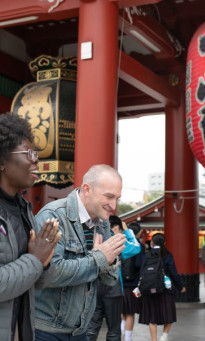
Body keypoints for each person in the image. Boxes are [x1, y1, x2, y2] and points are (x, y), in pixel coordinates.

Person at [34, 164, 126, 341]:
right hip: (46, 329)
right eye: (109, 197)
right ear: (87, 189)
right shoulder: (53, 216)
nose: (114, 206)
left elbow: (110, 279)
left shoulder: (103, 223)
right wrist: (100, 258)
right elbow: (49, 275)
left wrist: (110, 261)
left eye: (117, 199)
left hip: (81, 329)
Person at [0, 112, 62, 341]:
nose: (36, 160)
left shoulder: (24, 210)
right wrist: (35, 259)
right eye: (29, 154)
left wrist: (45, 263)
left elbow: (38, 281)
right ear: (2, 161)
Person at [86, 216, 140, 341]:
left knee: (92, 327)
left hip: (94, 286)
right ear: (116, 227)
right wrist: (127, 230)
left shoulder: (94, 236)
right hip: (113, 288)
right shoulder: (116, 240)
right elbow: (135, 247)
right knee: (114, 329)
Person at [139, 233, 186, 341]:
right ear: (164, 243)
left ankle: (154, 339)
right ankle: (164, 336)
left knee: (152, 317)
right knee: (168, 313)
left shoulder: (147, 255)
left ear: (152, 243)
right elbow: (173, 273)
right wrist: (180, 286)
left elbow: (141, 272)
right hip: (165, 289)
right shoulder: (167, 254)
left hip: (149, 289)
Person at [121, 222, 146, 341]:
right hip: (132, 283)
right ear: (139, 232)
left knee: (123, 311)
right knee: (130, 312)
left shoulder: (121, 242)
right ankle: (128, 338)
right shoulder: (138, 246)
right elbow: (139, 264)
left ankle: (121, 333)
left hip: (120, 283)